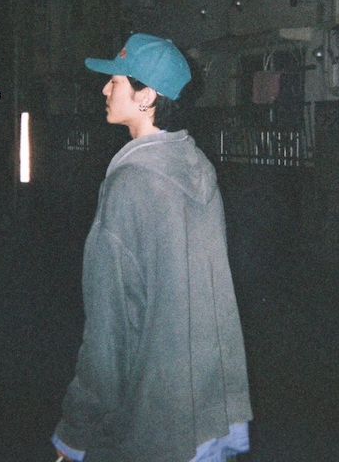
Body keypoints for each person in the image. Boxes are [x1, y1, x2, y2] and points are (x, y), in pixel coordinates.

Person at [52, 33, 253, 462]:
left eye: (115, 81)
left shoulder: (131, 184)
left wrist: (75, 434)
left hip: (158, 421)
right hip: (211, 410)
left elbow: (109, 331)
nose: (105, 90)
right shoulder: (197, 168)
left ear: (146, 96)